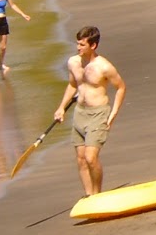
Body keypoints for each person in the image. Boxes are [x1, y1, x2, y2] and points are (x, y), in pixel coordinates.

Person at [53, 26, 126, 197]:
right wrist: (61, 107)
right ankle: (89, 195)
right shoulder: (73, 62)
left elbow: (121, 88)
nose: (78, 48)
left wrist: (113, 114)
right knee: (80, 159)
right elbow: (72, 85)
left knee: (91, 157)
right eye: (77, 44)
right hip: (80, 113)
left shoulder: (104, 67)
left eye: (82, 45)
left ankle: (97, 194)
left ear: (93, 46)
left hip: (98, 113)